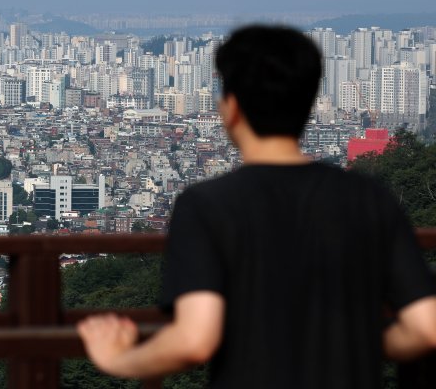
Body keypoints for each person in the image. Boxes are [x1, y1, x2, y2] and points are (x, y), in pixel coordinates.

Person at [77, 25, 436, 388]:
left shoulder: (207, 205)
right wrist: (358, 344)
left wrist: (120, 358)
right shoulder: (370, 198)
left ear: (231, 110)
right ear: (310, 104)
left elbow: (195, 340)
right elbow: (425, 328)